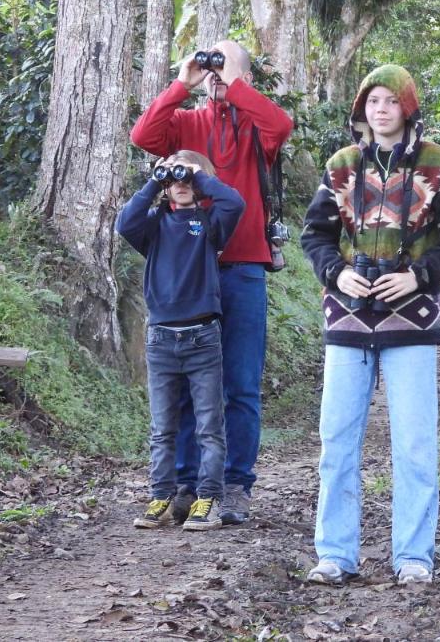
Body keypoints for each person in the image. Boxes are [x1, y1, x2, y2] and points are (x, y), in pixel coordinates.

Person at [300, 64, 440, 586]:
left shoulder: (438, 163)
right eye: (372, 100)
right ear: (361, 108)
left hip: (412, 321)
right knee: (337, 440)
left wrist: (418, 276)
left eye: (391, 100)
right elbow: (315, 236)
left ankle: (414, 557)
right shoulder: (340, 166)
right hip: (347, 319)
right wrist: (338, 275)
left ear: (407, 107)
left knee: (415, 444)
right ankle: (335, 554)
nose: (381, 109)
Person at [130, 40, 294, 526]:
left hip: (241, 265)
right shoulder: (188, 122)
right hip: (187, 272)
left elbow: (280, 126)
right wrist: (184, 82)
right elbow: (144, 135)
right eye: (212, 66)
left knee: (240, 384)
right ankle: (184, 483)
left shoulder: (253, 124)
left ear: (244, 76)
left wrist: (236, 83)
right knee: (182, 383)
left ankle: (236, 484)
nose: (216, 74)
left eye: (225, 66)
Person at [116, 151, 245, 531]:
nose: (182, 183)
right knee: (163, 426)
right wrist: (157, 179)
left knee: (208, 423)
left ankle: (208, 497)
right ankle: (160, 495)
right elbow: (125, 222)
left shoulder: (209, 222)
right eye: (175, 179)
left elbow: (233, 202)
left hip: (202, 335)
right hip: (160, 338)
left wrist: (196, 174)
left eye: (189, 179)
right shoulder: (154, 224)